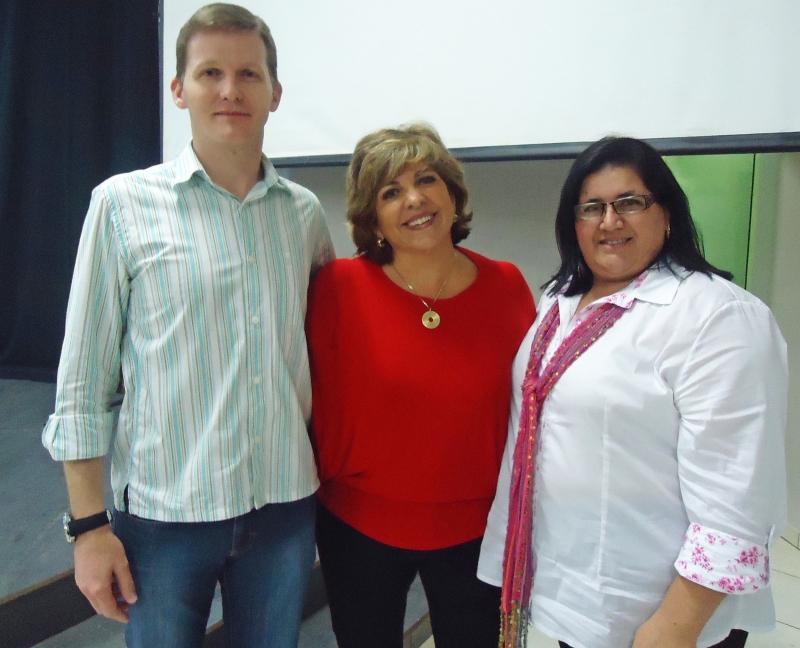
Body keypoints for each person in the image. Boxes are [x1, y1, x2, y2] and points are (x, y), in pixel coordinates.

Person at [42, 4, 334, 647]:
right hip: (164, 518)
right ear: (179, 89)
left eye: (249, 74)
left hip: (283, 508)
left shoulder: (304, 216)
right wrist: (88, 528)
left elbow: (321, 358)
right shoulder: (121, 206)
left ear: (275, 93)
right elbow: (83, 383)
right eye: (210, 73)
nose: (231, 90)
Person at [478, 136, 788, 648]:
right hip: (576, 592)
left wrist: (673, 628)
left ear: (666, 213)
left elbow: (739, 496)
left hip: (659, 610)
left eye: (629, 202)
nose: (609, 221)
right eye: (591, 207)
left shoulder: (718, 316)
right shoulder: (560, 299)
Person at [306, 123, 536, 648]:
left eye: (427, 180)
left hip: (479, 530)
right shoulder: (338, 288)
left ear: (452, 195)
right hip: (358, 527)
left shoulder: (507, 285)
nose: (414, 199)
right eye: (391, 192)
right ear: (373, 218)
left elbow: (527, 410)